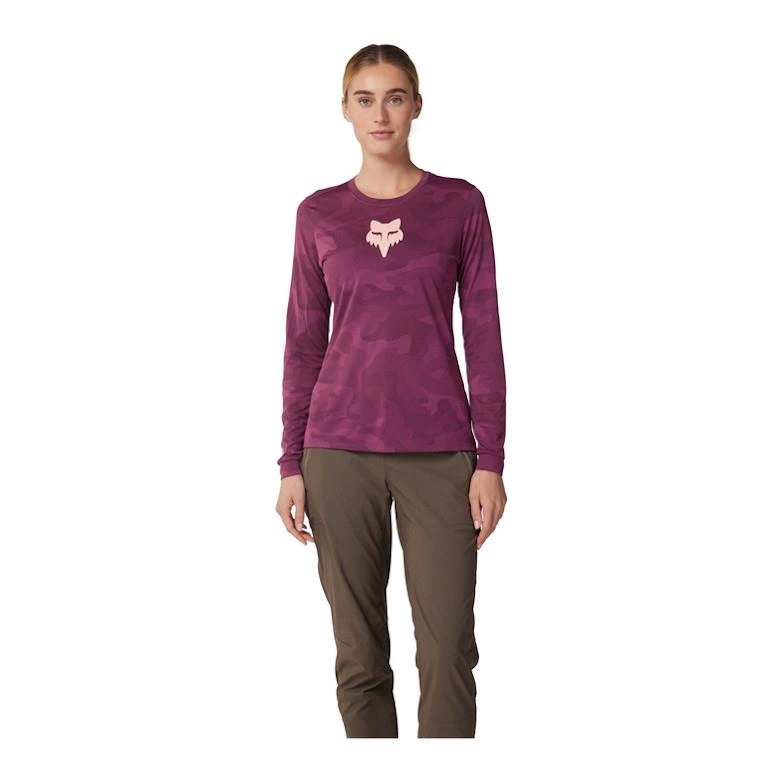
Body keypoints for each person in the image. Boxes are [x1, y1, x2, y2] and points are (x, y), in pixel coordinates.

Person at [274, 43, 507, 738]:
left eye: (395, 97)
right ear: (345, 110)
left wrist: (490, 459)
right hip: (336, 453)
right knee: (359, 658)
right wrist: (290, 463)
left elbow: (484, 336)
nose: (381, 114)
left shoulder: (459, 205)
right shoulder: (318, 214)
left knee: (448, 652)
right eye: (366, 99)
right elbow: (303, 342)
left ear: (417, 107)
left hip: (440, 454)